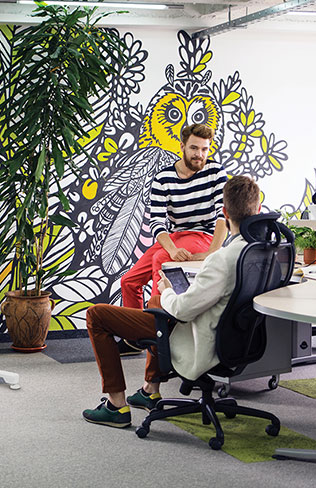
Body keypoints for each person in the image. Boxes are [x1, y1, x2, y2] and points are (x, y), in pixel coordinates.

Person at [82, 175, 261, 427]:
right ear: (258, 209)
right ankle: (149, 390)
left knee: (97, 315)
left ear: (224, 212)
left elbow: (183, 310)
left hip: (200, 339)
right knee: (155, 301)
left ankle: (116, 406)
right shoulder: (262, 251)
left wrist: (167, 289)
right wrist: (163, 296)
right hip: (238, 340)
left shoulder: (221, 259)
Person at [118, 123, 228, 353]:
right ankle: (137, 336)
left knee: (160, 259)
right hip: (176, 237)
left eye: (205, 149)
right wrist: (171, 249)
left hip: (203, 235)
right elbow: (157, 222)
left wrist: (212, 252)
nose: (200, 155)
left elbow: (222, 216)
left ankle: (160, 335)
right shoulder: (163, 178)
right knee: (129, 281)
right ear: (182, 146)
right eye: (194, 148)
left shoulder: (216, 173)